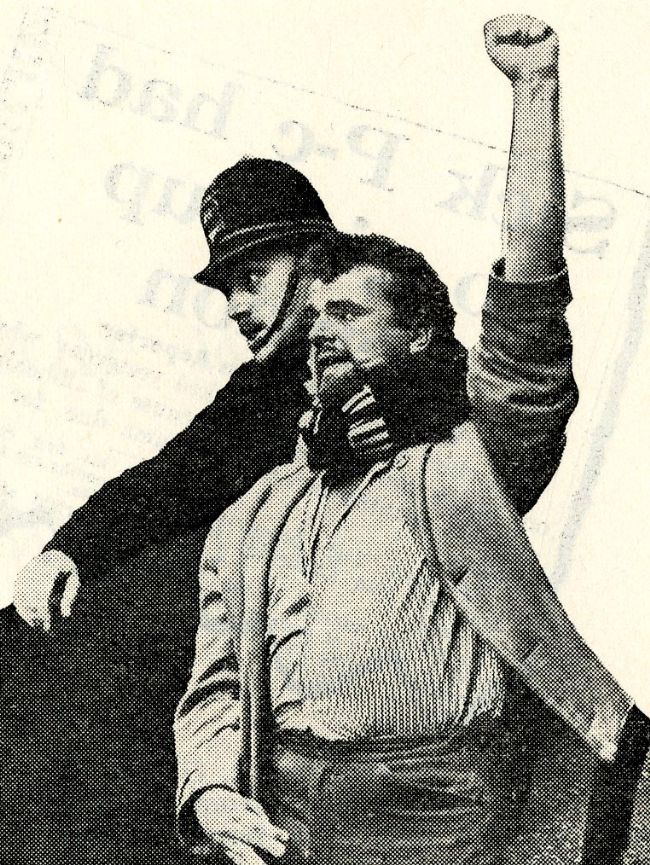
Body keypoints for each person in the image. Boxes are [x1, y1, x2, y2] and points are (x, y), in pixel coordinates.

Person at [175, 15, 636, 865]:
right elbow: (216, 692)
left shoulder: (466, 463)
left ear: (420, 333)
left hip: (440, 819)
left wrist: (535, 91)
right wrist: (208, 790)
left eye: (348, 313)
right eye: (312, 317)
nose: (319, 330)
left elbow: (530, 289)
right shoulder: (250, 517)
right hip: (286, 823)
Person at [0, 157, 337, 863]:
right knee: (24, 641)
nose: (236, 306)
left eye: (253, 277)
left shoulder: (397, 369)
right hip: (211, 624)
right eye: (228, 286)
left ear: (318, 265)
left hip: (290, 655)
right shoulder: (266, 383)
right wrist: (69, 549)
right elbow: (172, 477)